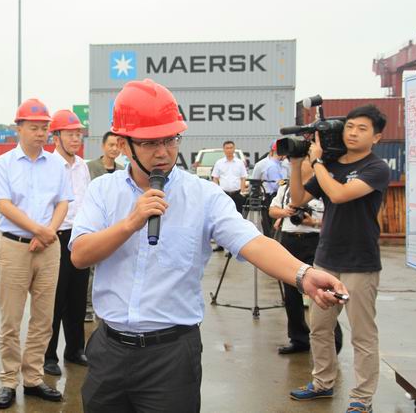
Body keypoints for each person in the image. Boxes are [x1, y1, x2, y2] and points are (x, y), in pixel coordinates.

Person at [68, 78, 349, 413]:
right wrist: (130, 223)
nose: (163, 152)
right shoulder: (102, 191)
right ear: (124, 145)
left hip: (171, 357)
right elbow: (80, 255)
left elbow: (252, 242)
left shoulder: (203, 195)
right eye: (150, 142)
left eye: (170, 139)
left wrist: (303, 274)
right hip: (109, 351)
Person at [288, 105, 390, 413]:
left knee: (362, 334)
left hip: (360, 263)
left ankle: (362, 399)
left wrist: (318, 162)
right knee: (320, 328)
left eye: (362, 128)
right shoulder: (330, 165)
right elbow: (298, 200)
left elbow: (339, 194)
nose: (353, 133)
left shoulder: (376, 168)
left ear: (376, 137)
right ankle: (322, 383)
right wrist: (296, 162)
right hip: (326, 259)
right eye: (349, 127)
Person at [0, 98, 73, 409]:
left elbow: (63, 202)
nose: (40, 133)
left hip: (48, 249)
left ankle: (33, 378)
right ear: (19, 128)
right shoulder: (4, 163)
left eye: (44, 128)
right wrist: (40, 230)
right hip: (15, 246)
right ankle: (9, 379)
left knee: (43, 318)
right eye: (34, 127)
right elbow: (4, 204)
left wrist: (48, 232)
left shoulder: (57, 165)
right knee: (11, 318)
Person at [269, 158, 343, 355]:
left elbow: (335, 217)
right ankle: (298, 339)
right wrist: (285, 212)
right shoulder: (285, 187)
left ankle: (333, 340)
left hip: (315, 241)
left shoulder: (324, 185)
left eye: (303, 160)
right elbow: (272, 210)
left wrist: (314, 222)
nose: (297, 163)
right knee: (291, 294)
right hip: (290, 241)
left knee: (323, 292)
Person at [44, 110, 91, 377]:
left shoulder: (82, 166)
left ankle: (75, 349)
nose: (76, 138)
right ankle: (48, 355)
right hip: (57, 237)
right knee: (55, 299)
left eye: (78, 134)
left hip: (79, 236)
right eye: (70, 134)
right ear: (56, 137)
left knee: (77, 298)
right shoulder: (48, 166)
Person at [85, 132, 124, 322]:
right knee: (92, 268)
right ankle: (87, 305)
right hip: (95, 223)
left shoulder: (122, 170)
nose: (114, 149)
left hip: (115, 224)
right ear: (103, 146)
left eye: (117, 145)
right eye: (111, 145)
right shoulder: (90, 168)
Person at [252, 140, 286, 237]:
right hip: (270, 197)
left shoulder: (280, 164)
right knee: (271, 226)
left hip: (276, 196)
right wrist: (286, 182)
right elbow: (276, 184)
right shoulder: (271, 165)